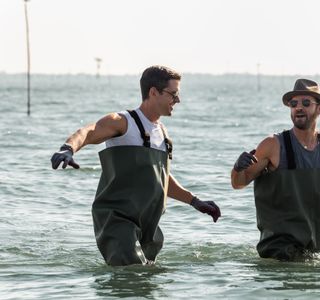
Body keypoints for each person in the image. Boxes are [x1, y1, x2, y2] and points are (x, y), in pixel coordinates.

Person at [51, 65, 221, 266]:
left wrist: (194, 201)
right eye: (173, 94)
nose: (178, 100)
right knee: (132, 273)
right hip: (117, 221)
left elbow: (161, 177)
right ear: (153, 92)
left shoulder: (163, 134)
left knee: (148, 283)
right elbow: (89, 131)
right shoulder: (124, 121)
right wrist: (68, 148)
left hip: (149, 226)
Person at [230, 78, 320, 261]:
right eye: (294, 104)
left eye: (306, 103)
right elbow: (238, 183)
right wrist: (237, 167)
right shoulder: (272, 145)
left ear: (319, 108)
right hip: (279, 250)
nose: (299, 107)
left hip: (318, 250)